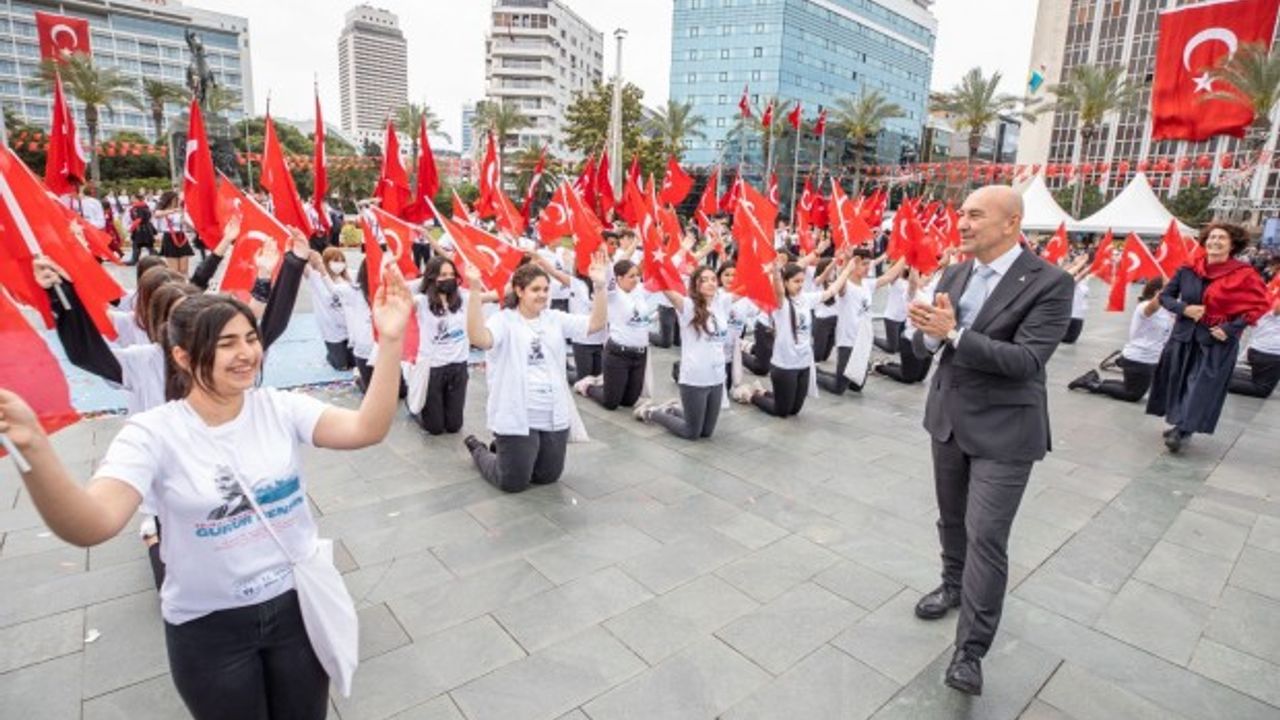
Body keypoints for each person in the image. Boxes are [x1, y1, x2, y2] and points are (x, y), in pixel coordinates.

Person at [0, 265, 411, 719]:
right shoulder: (152, 433)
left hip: (297, 607)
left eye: (250, 339)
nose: (246, 354)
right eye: (226, 343)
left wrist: (390, 341)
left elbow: (367, 428)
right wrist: (35, 451)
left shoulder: (279, 407)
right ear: (181, 355)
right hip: (210, 628)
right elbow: (92, 523)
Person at [906, 185, 1073, 696]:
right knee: (952, 520)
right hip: (949, 420)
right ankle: (952, 584)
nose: (963, 221)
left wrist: (954, 335)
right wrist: (931, 334)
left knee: (987, 536)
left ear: (1011, 223)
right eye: (962, 212)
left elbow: (1026, 361)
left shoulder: (1050, 283)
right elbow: (923, 344)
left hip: (1005, 431)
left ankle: (970, 651)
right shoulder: (955, 272)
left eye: (975, 215)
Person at [463, 254, 608, 493]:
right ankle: (479, 449)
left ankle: (510, 453)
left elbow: (596, 324)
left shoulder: (554, 319)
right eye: (535, 289)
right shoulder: (504, 321)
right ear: (519, 291)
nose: (542, 294)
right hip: (519, 415)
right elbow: (479, 338)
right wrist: (475, 291)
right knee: (513, 483)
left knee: (547, 477)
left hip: (552, 414)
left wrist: (600, 287)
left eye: (546, 289)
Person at [1147, 223, 1272, 451]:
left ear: (1232, 244)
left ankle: (1183, 430)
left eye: (1221, 238)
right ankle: (1181, 422)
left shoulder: (1244, 274)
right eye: (1211, 237)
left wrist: (1231, 329)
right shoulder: (1188, 269)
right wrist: (1184, 308)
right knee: (1180, 381)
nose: (1215, 241)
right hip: (1184, 336)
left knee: (1201, 385)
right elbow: (1166, 297)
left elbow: (1259, 305)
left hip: (1216, 340)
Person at [735, 253, 860, 417]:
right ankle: (750, 395)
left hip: (803, 363)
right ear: (786, 282)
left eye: (802, 281)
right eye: (796, 281)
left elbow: (831, 291)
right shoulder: (780, 303)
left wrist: (848, 270)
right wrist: (777, 272)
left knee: (794, 410)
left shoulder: (805, 299)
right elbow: (779, 291)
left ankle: (763, 392)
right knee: (782, 412)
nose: (800, 285)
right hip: (784, 365)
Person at [635, 266, 729, 440]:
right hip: (695, 377)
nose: (710, 283)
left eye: (713, 279)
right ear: (695, 284)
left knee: (706, 433)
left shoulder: (720, 304)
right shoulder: (688, 306)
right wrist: (656, 268)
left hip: (716, 377)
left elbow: (748, 288)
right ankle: (652, 413)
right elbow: (666, 289)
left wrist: (772, 272)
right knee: (691, 432)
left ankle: (672, 410)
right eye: (704, 280)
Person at [1068, 278, 1173, 402]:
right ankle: (1091, 384)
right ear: (1157, 292)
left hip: (1151, 358)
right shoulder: (1145, 307)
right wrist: (1170, 286)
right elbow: (1153, 307)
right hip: (1139, 358)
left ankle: (1095, 380)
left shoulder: (1166, 310)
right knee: (1132, 394)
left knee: (1132, 387)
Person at [817, 252, 906, 394]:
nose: (867, 268)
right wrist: (847, 263)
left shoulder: (867, 284)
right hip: (847, 341)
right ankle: (815, 375)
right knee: (839, 388)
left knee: (856, 386)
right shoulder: (845, 285)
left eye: (868, 264)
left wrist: (905, 255)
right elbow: (840, 281)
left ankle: (833, 374)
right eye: (863, 264)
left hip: (862, 342)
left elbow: (889, 276)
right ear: (855, 264)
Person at [575, 259, 655, 411]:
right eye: (631, 276)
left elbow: (660, 275)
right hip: (618, 354)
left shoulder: (639, 290)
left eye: (637, 275)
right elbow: (608, 278)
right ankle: (588, 386)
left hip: (639, 355)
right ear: (619, 278)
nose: (636, 279)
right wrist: (607, 262)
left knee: (628, 402)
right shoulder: (613, 295)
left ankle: (606, 382)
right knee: (610, 403)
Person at [409, 256, 471, 435]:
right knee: (435, 429)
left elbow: (493, 295)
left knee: (454, 426)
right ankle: (416, 408)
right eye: (443, 274)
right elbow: (402, 303)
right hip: (433, 367)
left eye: (451, 274)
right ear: (432, 277)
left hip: (458, 366)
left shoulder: (463, 297)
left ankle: (441, 409)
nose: (448, 278)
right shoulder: (421, 301)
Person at [304, 248, 355, 371]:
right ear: (326, 262)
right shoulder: (316, 278)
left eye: (342, 260)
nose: (339, 264)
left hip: (351, 330)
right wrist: (313, 258)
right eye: (335, 260)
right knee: (342, 366)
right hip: (332, 331)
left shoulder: (348, 278)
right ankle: (331, 355)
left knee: (355, 364)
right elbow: (303, 263)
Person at [1228, 293, 1280, 398]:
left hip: (1259, 349)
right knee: (1262, 388)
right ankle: (1221, 382)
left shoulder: (1263, 300)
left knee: (1255, 378)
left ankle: (1224, 376)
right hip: (1271, 353)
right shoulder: (1271, 305)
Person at [155, 190, 194, 275]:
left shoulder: (181, 210)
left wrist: (185, 221)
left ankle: (184, 285)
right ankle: (175, 286)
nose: (178, 201)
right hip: (170, 237)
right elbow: (157, 214)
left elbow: (191, 227)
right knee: (174, 270)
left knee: (183, 269)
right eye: (176, 199)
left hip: (182, 236)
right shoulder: (163, 210)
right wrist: (173, 211)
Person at [1060, 255, 1091, 344]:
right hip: (1072, 317)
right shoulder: (1072, 281)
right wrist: (1081, 262)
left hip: (1079, 317)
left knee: (1072, 339)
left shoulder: (1084, 281)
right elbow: (1080, 274)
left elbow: (1084, 274)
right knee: (1069, 340)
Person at [126, 191, 158, 266]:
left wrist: (131, 228)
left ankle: (134, 260)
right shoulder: (145, 206)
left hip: (140, 228)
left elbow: (138, 219)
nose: (131, 199)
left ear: (137, 199)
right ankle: (155, 259)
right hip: (147, 227)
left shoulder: (137, 207)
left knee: (137, 245)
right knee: (148, 245)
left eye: (132, 198)